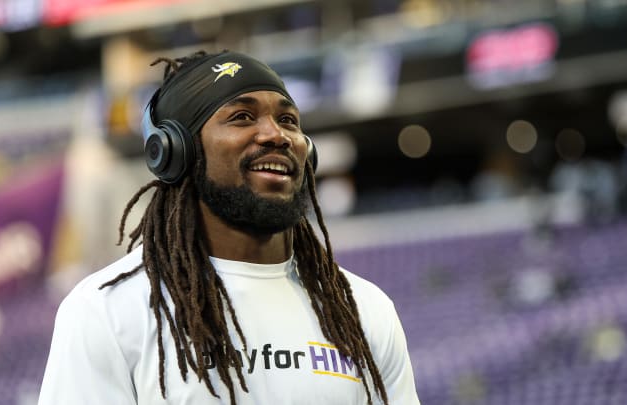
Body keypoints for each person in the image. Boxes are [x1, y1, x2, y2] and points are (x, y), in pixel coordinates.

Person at [38, 50, 419, 405]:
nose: (276, 135)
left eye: (288, 120)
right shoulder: (107, 312)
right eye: (242, 117)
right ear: (176, 151)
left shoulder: (363, 310)